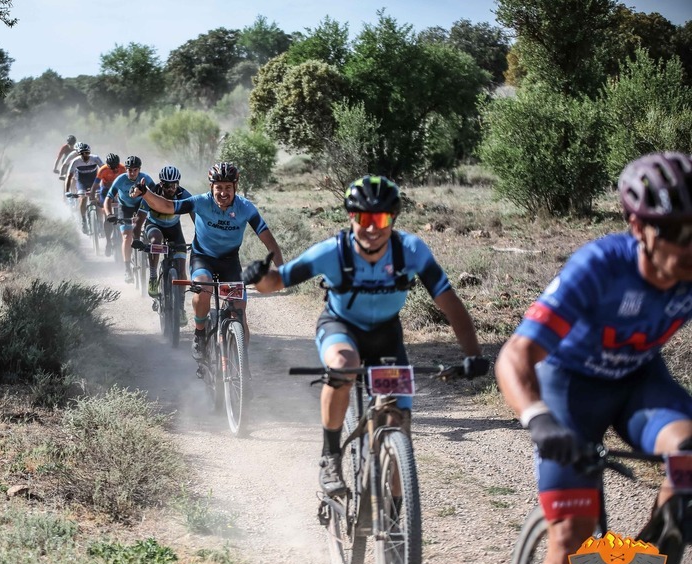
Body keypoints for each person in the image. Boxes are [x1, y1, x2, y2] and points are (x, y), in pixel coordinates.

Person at [494, 151, 692, 564]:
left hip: (637, 385)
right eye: (679, 233)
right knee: (571, 536)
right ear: (639, 226)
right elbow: (516, 355)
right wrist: (538, 419)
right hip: (568, 388)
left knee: (687, 466)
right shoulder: (601, 267)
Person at [242, 175, 488, 494]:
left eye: (381, 218)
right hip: (339, 327)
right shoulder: (333, 252)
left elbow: (452, 306)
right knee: (344, 365)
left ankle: (400, 525)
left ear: (393, 218)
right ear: (351, 217)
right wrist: (259, 277)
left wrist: (473, 355)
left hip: (386, 338)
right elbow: (278, 281)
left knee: (397, 424)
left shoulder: (411, 251)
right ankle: (330, 456)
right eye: (364, 218)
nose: (372, 228)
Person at [133, 161, 284, 360]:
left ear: (235, 188)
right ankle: (200, 333)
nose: (223, 193)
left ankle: (241, 364)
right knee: (203, 290)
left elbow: (268, 240)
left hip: (230, 261)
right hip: (202, 258)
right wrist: (145, 193)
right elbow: (167, 206)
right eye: (218, 187)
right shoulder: (200, 202)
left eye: (228, 188)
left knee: (239, 310)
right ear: (211, 187)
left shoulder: (246, 207)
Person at [132, 166, 195, 323]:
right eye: (167, 185)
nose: (172, 189)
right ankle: (153, 275)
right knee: (156, 240)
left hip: (175, 229)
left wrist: (200, 239)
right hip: (154, 226)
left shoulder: (183, 194)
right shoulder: (152, 192)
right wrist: (135, 239)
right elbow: (140, 218)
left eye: (175, 184)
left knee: (181, 270)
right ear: (161, 184)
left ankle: (180, 307)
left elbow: (197, 218)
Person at [105, 156, 156, 280]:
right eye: (129, 170)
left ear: (139, 170)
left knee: (151, 229)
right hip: (125, 207)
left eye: (135, 170)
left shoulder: (146, 178)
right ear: (126, 170)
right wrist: (109, 214)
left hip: (141, 205)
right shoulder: (120, 180)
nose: (132, 173)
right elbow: (108, 199)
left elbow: (156, 194)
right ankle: (127, 269)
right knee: (127, 236)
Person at [63, 143, 103, 228]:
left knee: (98, 199)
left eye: (87, 153)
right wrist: (67, 191)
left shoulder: (95, 158)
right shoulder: (76, 161)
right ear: (79, 154)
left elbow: (104, 171)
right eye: (82, 153)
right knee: (83, 198)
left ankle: (100, 221)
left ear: (89, 152)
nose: (85, 155)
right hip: (82, 182)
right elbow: (69, 177)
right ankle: (84, 220)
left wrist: (106, 186)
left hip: (94, 181)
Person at [91, 153, 125, 234]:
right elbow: (95, 185)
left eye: (116, 166)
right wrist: (92, 197)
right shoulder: (103, 170)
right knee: (107, 216)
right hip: (106, 189)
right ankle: (108, 241)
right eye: (112, 167)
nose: (114, 169)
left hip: (118, 189)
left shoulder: (123, 168)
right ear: (108, 165)